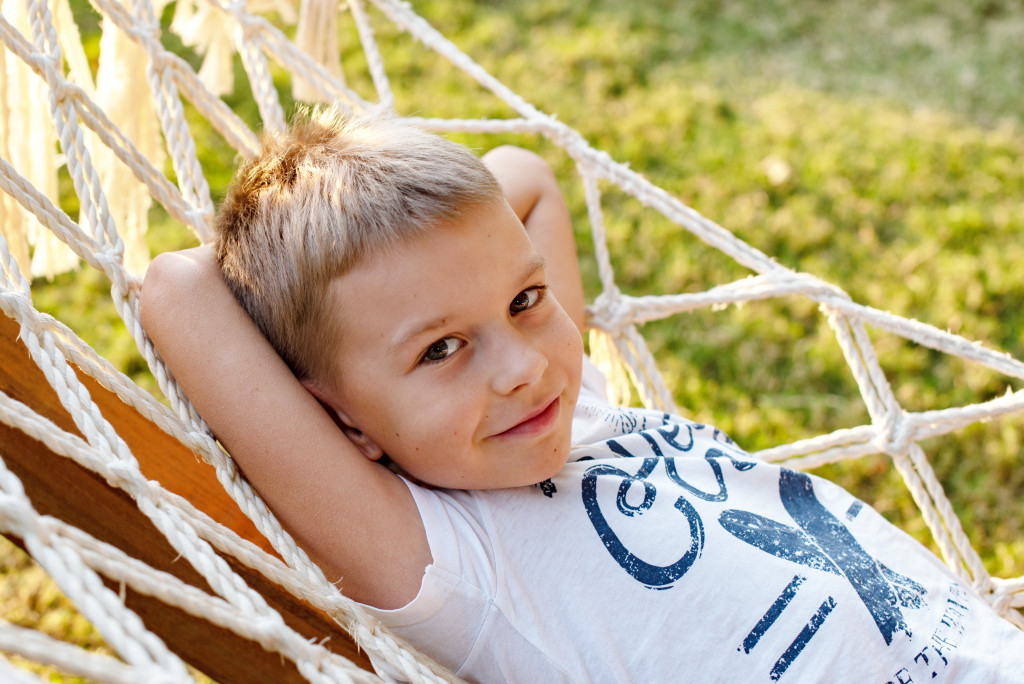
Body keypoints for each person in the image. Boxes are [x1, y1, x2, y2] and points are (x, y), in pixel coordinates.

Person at [141, 106, 1024, 683]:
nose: (522, 363)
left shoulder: (572, 407)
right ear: (340, 416)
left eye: (527, 302)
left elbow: (524, 177)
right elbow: (178, 294)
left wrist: (413, 232)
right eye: (441, 349)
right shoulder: (447, 564)